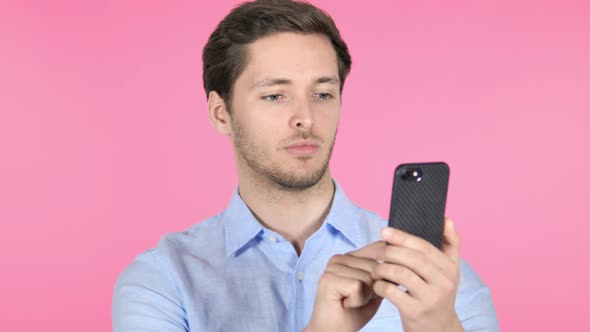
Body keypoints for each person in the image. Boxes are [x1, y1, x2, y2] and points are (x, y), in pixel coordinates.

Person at [112, 0, 499, 331]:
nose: (305, 118)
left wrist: (438, 325)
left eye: (323, 93)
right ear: (221, 114)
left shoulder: (437, 279)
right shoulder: (162, 281)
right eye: (275, 95)